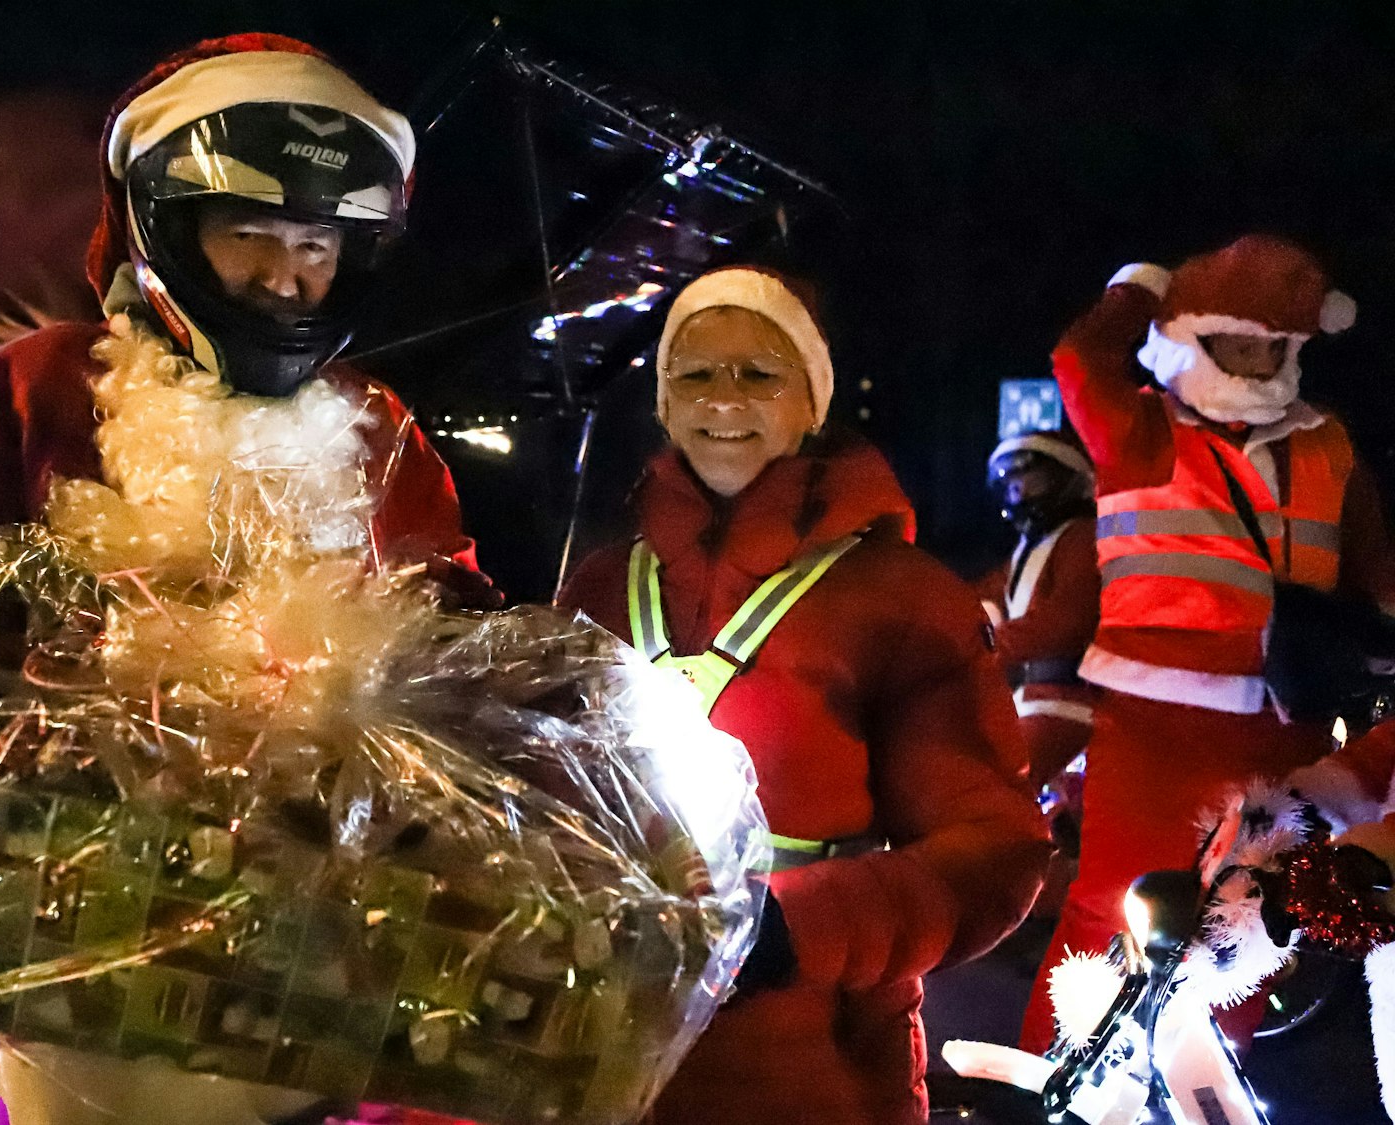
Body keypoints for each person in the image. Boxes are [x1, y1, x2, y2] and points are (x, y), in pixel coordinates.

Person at [0, 35, 488, 1123]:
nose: (284, 273)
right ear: (162, 226)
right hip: (78, 935)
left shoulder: (375, 424)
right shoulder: (41, 389)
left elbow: (450, 622)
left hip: (323, 936)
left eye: (316, 241)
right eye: (247, 233)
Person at [555, 266, 1050, 1125]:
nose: (724, 399)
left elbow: (996, 851)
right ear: (665, 404)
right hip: (598, 1049)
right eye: (696, 374)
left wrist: (798, 933)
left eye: (759, 374)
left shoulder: (901, 598)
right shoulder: (598, 584)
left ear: (812, 402)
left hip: (811, 1063)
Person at [1021, 234, 1395, 1051]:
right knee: (1107, 908)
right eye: (1236, 340)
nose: (1257, 360)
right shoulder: (1139, 427)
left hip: (1285, 728)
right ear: (1193, 338)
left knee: (1245, 929)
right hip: (1152, 727)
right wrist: (1142, 290)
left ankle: (1203, 1091)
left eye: (1275, 343)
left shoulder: (1328, 442)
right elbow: (1078, 357)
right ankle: (1054, 1079)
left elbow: (1376, 575)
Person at [976, 429, 1100, 786]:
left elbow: (1068, 622)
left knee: (993, 786)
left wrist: (986, 644)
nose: (1019, 491)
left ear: (1066, 479)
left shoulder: (1083, 537)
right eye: (1013, 482)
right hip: (1031, 702)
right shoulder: (1029, 548)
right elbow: (980, 597)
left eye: (1032, 480)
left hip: (1068, 704)